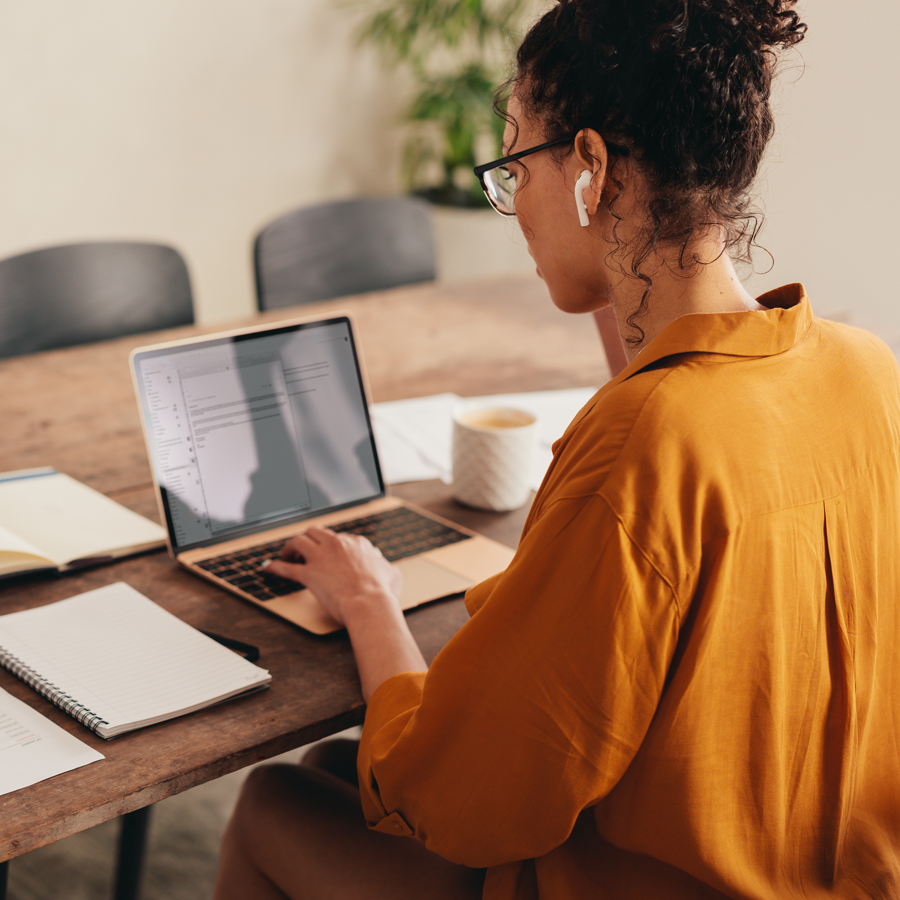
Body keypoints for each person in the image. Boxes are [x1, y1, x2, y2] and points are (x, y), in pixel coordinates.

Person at [212, 0, 900, 897]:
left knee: (276, 798)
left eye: (513, 168)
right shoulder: (865, 368)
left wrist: (372, 604)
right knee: (338, 770)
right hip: (838, 875)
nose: (512, 208)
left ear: (591, 169)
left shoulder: (645, 442)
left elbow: (465, 799)